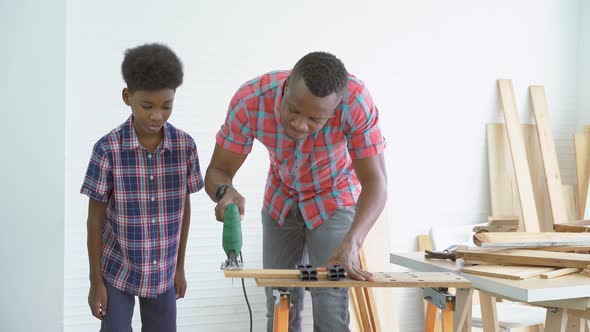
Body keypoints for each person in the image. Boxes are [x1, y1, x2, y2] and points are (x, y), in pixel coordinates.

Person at [205, 51, 387, 331]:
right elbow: (218, 171)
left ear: (336, 108)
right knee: (280, 299)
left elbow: (376, 184)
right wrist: (225, 191)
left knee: (330, 305)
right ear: (286, 85)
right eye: (293, 110)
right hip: (282, 197)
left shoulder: (356, 102)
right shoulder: (252, 100)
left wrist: (352, 243)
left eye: (315, 120)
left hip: (334, 198)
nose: (300, 124)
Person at [81, 43, 203, 332]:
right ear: (128, 97)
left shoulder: (185, 147)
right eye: (147, 106)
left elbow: (184, 209)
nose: (156, 116)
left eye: (166, 106)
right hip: (117, 271)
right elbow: (95, 220)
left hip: (163, 275)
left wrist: (180, 266)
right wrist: (95, 281)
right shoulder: (107, 149)